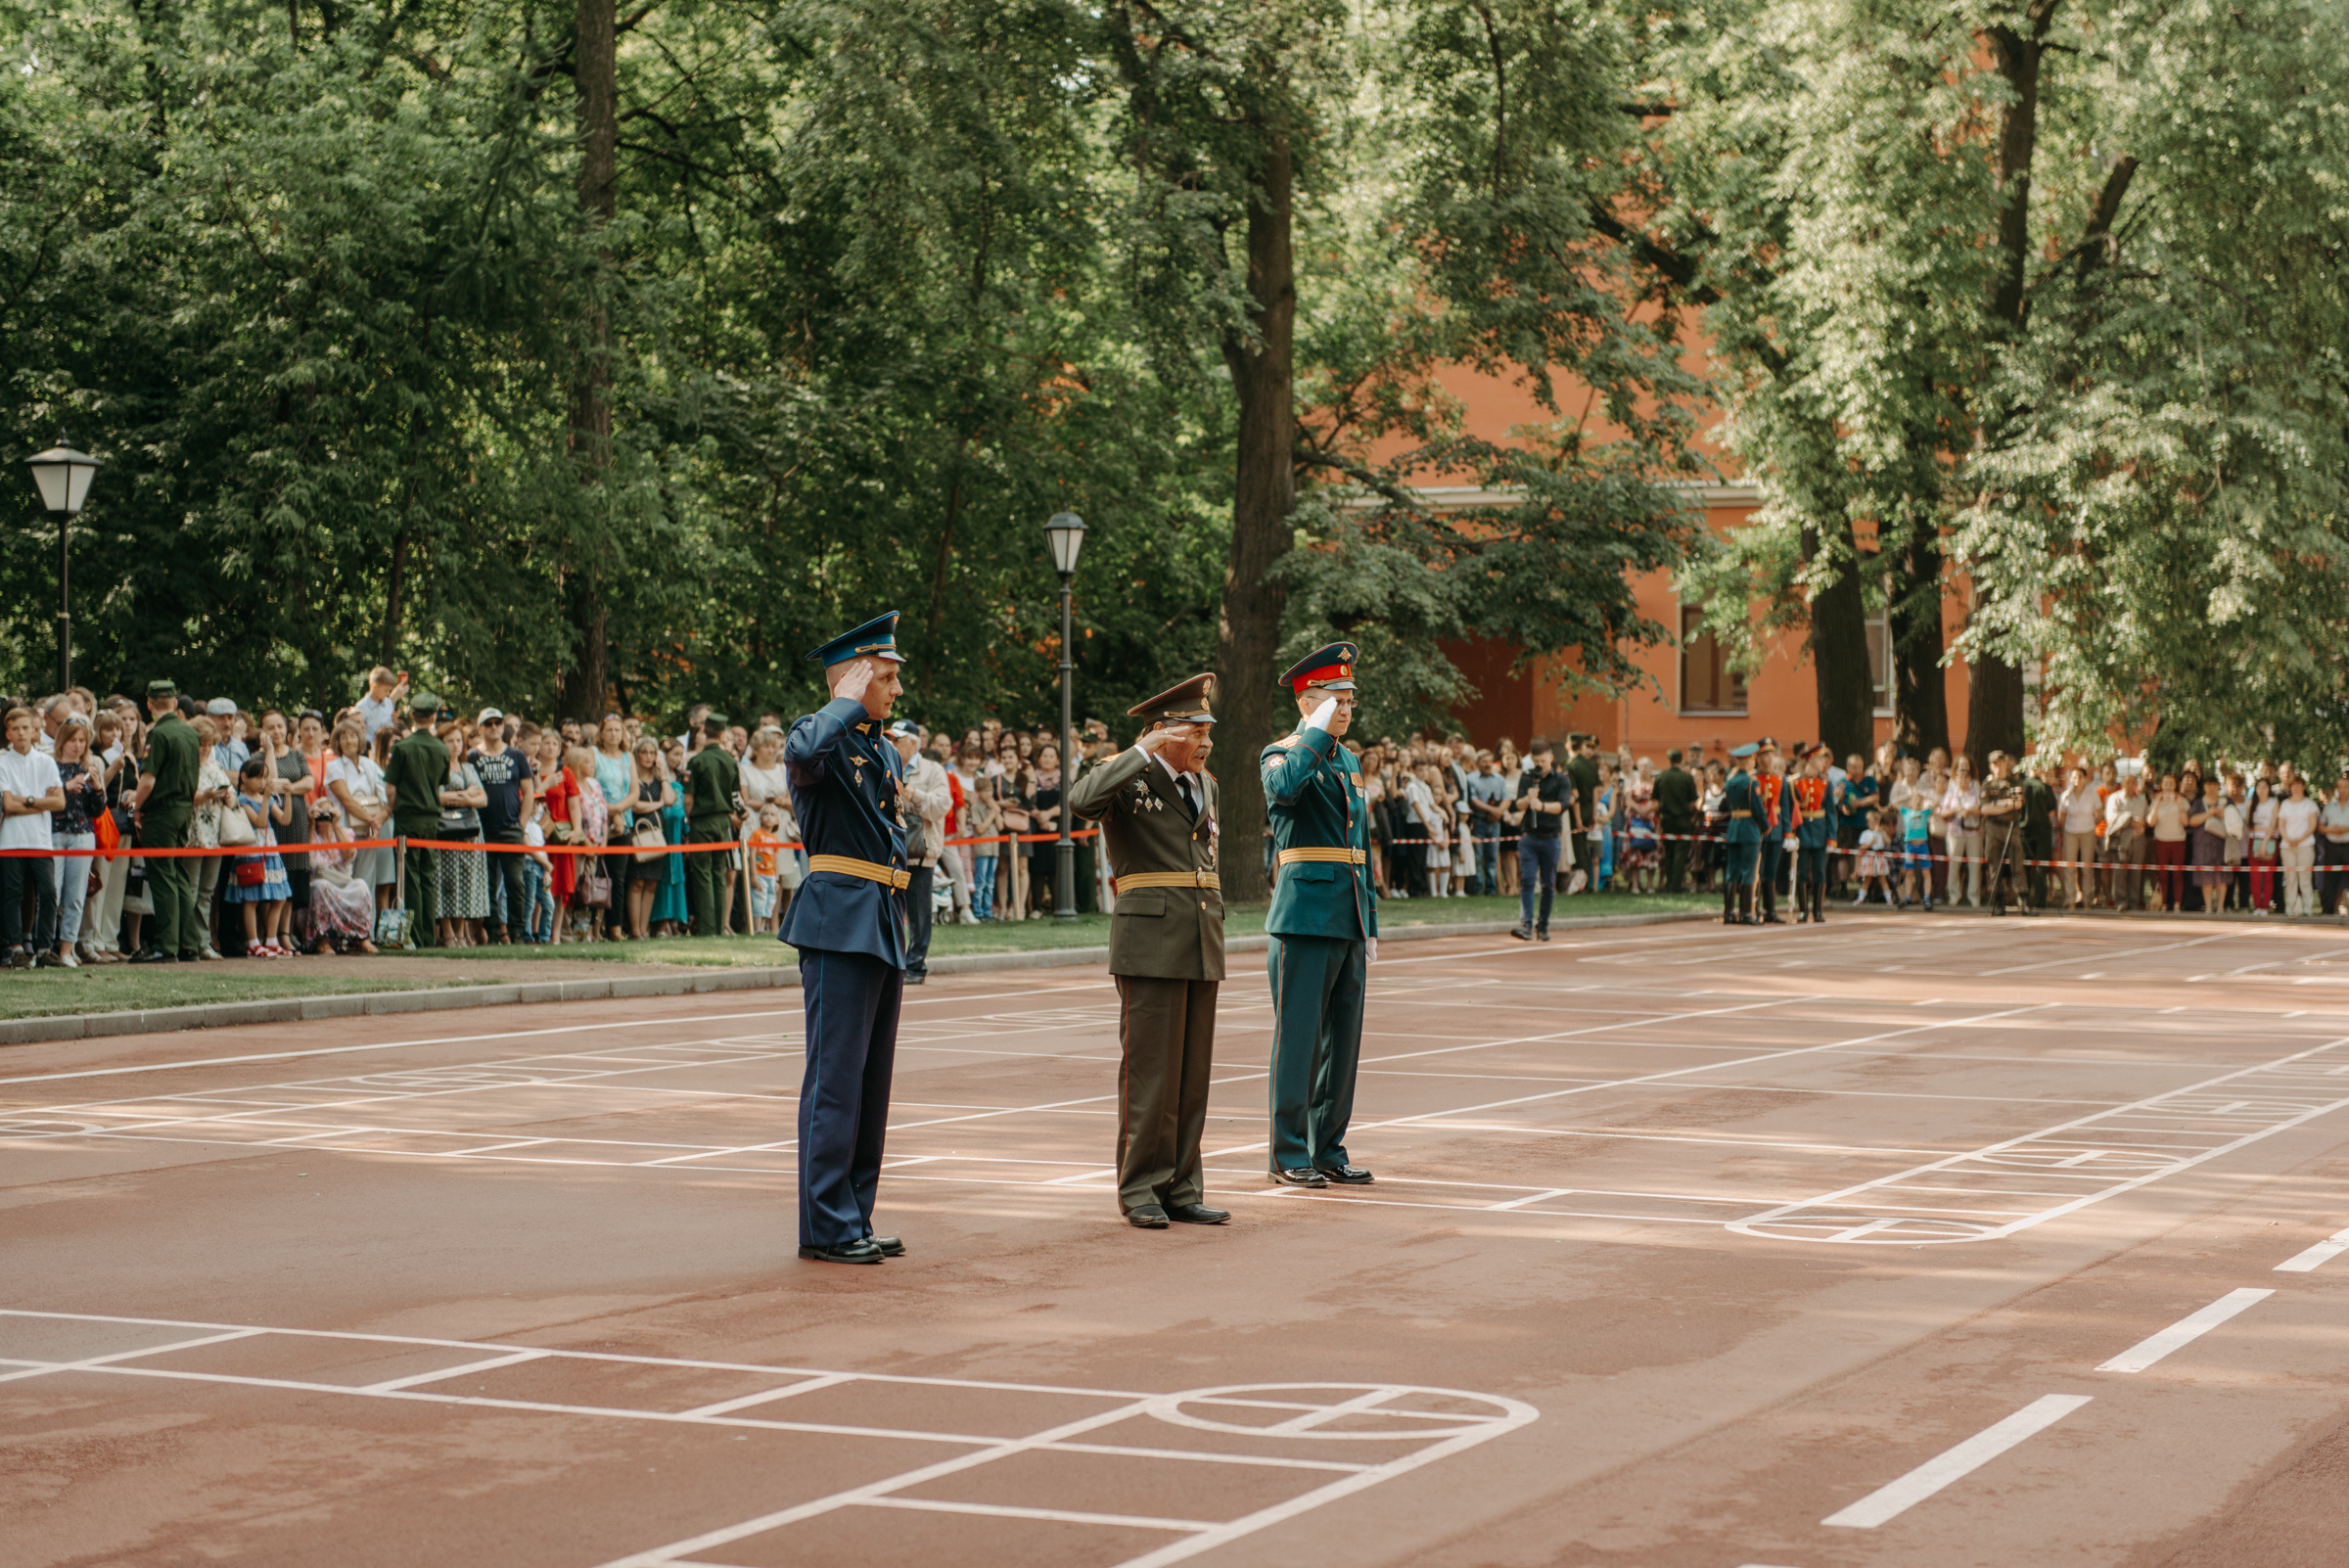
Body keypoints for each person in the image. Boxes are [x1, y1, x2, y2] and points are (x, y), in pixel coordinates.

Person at [1069, 673, 1228, 1228]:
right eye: (1196, 731)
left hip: (1200, 934)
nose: (1207, 742)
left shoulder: (1206, 784)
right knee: (1150, 1076)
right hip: (1149, 937)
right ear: (1164, 733)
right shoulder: (1129, 778)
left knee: (1192, 1075)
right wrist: (1141, 750)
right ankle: (1140, 1188)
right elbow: (1080, 802)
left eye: (1209, 730)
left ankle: (1183, 1185)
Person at [780, 611, 914, 1266]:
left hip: (880, 916)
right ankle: (825, 1223)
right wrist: (839, 699)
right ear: (853, 679)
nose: (895, 690)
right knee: (834, 1080)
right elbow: (805, 756)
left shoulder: (880, 748)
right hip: (838, 918)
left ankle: (853, 1212)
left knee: (870, 1081)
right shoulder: (818, 735)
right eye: (883, 677)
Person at [1260, 641, 1378, 1189]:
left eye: (1351, 700)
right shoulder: (1282, 753)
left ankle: (1328, 1147)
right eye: (1336, 699)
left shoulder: (1349, 760)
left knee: (1343, 1044)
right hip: (1304, 916)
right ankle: (1288, 1153)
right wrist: (1313, 732)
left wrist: (1370, 922)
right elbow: (1284, 793)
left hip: (1348, 914)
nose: (1347, 710)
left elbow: (1361, 847)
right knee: (1300, 1041)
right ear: (1309, 703)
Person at [128, 679, 202, 963]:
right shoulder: (189, 733)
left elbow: (148, 780)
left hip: (162, 812)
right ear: (174, 703)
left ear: (149, 704)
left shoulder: (158, 734)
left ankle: (165, 945)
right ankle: (187, 944)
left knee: (161, 876)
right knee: (178, 874)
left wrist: (135, 808)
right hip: (184, 809)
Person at [382, 691, 450, 945]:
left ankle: (414, 936)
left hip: (407, 818)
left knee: (409, 876)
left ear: (411, 715)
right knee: (428, 876)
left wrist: (393, 808)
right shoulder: (442, 748)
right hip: (431, 819)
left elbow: (390, 789)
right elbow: (441, 786)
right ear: (433, 717)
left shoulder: (401, 747)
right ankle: (428, 936)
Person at [0, 705, 65, 967]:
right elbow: (8, 806)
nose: (21, 733)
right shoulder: (3, 762)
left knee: (48, 891)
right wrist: (41, 801)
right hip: (11, 839)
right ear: (8, 734)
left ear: (34, 732)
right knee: (12, 893)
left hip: (40, 839)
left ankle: (44, 948)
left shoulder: (46, 762)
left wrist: (25, 800)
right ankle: (16, 948)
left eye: (25, 728)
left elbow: (59, 803)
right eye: (15, 729)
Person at [887, 719, 950, 982]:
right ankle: (894, 965)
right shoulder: (885, 765)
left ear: (914, 744)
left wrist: (915, 796)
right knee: (889, 911)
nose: (891, 743)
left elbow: (942, 806)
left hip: (921, 853)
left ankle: (915, 966)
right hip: (892, 852)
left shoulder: (933, 770)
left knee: (919, 913)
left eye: (896, 740)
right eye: (889, 738)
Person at [470, 709, 535, 945]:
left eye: (498, 723)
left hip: (511, 828)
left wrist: (522, 823)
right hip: (481, 829)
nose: (494, 727)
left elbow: (528, 792)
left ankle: (518, 932)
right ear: (480, 729)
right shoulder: (471, 757)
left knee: (515, 882)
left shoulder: (517, 756)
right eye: (488, 724)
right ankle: (494, 932)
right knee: (486, 883)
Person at [225, 755, 295, 956]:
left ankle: (271, 939)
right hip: (251, 853)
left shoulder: (268, 798)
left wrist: (288, 796)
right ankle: (253, 942)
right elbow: (260, 821)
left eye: (265, 778)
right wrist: (266, 798)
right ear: (244, 778)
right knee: (252, 899)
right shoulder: (242, 800)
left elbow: (284, 819)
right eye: (258, 778)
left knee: (279, 897)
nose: (262, 782)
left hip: (270, 852)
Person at [683, 712, 742, 937]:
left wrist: (690, 820)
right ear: (721, 732)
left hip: (701, 821)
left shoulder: (696, 761)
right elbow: (735, 794)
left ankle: (707, 930)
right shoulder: (729, 760)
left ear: (705, 731)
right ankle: (719, 927)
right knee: (719, 872)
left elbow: (688, 800)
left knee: (702, 873)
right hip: (723, 822)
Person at [1510, 741, 1571, 941]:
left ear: (1551, 758)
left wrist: (1541, 805)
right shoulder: (1527, 778)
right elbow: (1517, 805)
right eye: (1536, 761)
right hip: (1529, 837)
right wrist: (1528, 800)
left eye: (1543, 761)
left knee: (1547, 884)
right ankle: (1526, 924)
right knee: (1527, 880)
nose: (1539, 765)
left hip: (1551, 838)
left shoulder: (1561, 780)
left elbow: (1562, 806)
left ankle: (1542, 925)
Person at [1979, 750, 2029, 915]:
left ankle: (2024, 900)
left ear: (2005, 763)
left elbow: (2019, 803)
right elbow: (1985, 809)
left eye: (2000, 763)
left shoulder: (2015, 783)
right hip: (1993, 827)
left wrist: (1997, 806)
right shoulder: (1986, 786)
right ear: (1990, 766)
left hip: (2011, 826)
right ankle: (1998, 901)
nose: (1998, 766)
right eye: (1994, 764)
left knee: (2017, 863)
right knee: (1994, 864)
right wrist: (2007, 803)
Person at [1719, 743, 1762, 925]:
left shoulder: (1731, 781)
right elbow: (1758, 809)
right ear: (1748, 760)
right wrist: (1766, 826)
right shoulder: (1752, 782)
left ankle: (1728, 913)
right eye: (1752, 759)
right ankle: (1745, 914)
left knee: (1731, 872)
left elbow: (1725, 805)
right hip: (1750, 829)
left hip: (1734, 828)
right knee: (1748, 872)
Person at [1791, 747, 1831, 923]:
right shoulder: (1795, 782)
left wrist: (1832, 837)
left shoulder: (1825, 782)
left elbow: (1830, 812)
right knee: (1802, 873)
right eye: (1820, 759)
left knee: (1819, 873)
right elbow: (1791, 809)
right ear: (1810, 760)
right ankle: (1803, 910)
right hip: (1802, 830)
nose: (1824, 762)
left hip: (1820, 831)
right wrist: (1790, 834)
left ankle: (1818, 910)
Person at [1654, 748, 1698, 893]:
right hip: (1684, 820)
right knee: (1680, 854)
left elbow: (1655, 801)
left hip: (1667, 820)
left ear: (1670, 760)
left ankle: (1669, 883)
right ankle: (1675, 885)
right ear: (1680, 760)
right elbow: (1693, 802)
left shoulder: (1661, 778)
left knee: (1669, 853)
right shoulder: (1687, 778)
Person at [2279, 774, 2321, 917]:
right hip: (2287, 846)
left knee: (2305, 878)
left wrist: (2299, 839)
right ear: (2290, 787)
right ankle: (2290, 907)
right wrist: (2288, 839)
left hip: (2305, 845)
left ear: (2303, 786)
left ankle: (2307, 908)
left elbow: (2312, 825)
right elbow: (2281, 825)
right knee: (2290, 878)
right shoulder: (2285, 804)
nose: (2296, 788)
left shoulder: (2310, 804)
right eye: (2293, 785)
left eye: (2299, 785)